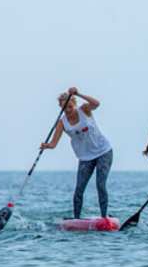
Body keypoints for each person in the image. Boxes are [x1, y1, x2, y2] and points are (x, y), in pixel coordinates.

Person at [40, 87, 113, 219]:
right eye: (64, 108)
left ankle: (104, 217)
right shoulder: (62, 122)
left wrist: (78, 93)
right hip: (85, 158)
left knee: (100, 185)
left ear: (74, 104)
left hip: (103, 152)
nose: (68, 110)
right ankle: (76, 219)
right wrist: (46, 146)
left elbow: (97, 104)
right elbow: (53, 144)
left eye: (70, 106)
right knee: (79, 189)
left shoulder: (84, 109)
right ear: (61, 107)